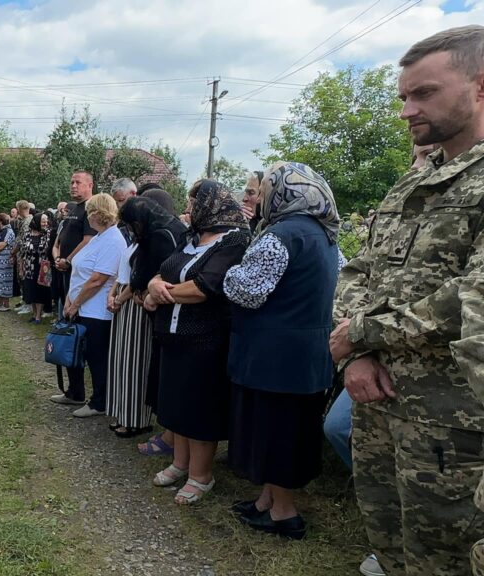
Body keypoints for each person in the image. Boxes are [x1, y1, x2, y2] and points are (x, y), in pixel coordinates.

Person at [328, 26, 484, 576]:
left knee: (444, 558)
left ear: (480, 87)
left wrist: (363, 334)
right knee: (389, 546)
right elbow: (357, 271)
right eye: (404, 96)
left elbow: (469, 296)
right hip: (378, 401)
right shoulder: (409, 185)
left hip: (452, 420)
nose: (406, 111)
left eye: (424, 93)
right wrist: (355, 354)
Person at [223, 162, 341, 540]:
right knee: (286, 430)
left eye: (263, 190)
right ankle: (266, 501)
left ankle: (284, 514)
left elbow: (248, 290)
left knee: (278, 434)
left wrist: (228, 271)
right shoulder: (325, 236)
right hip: (306, 355)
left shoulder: (281, 235)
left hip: (274, 357)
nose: (257, 198)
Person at [144, 180, 251, 505]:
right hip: (173, 336)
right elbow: (163, 271)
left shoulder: (234, 240)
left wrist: (160, 294)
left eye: (193, 202)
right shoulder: (192, 238)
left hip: (206, 339)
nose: (188, 209)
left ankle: (201, 475)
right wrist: (152, 284)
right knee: (177, 405)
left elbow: (207, 286)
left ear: (210, 204)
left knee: (199, 410)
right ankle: (180, 462)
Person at [106, 194, 186, 440]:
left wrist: (129, 295)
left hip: (144, 306)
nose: (131, 229)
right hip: (137, 299)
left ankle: (135, 419)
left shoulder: (162, 234)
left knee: (135, 363)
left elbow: (153, 272)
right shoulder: (153, 231)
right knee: (125, 361)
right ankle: (125, 414)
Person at [50, 193, 126, 418]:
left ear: (96, 214)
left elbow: (98, 279)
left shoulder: (113, 239)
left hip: (97, 310)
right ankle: (77, 392)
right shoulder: (100, 237)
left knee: (96, 357)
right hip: (83, 306)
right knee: (83, 354)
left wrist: (76, 303)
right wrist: (71, 300)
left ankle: (99, 401)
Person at [54, 171, 97, 316]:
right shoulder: (76, 207)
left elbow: (88, 239)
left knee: (74, 311)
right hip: (66, 268)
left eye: (78, 183)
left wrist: (68, 259)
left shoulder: (91, 208)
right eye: (72, 182)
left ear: (90, 185)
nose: (73, 186)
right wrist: (59, 257)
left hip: (79, 270)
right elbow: (62, 238)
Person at [20, 212, 52, 324]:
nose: (45, 223)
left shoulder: (48, 234)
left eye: (46, 220)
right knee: (31, 290)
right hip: (29, 266)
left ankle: (38, 315)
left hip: (43, 267)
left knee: (41, 291)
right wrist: (21, 268)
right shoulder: (27, 235)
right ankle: (34, 314)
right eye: (43, 221)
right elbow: (23, 252)